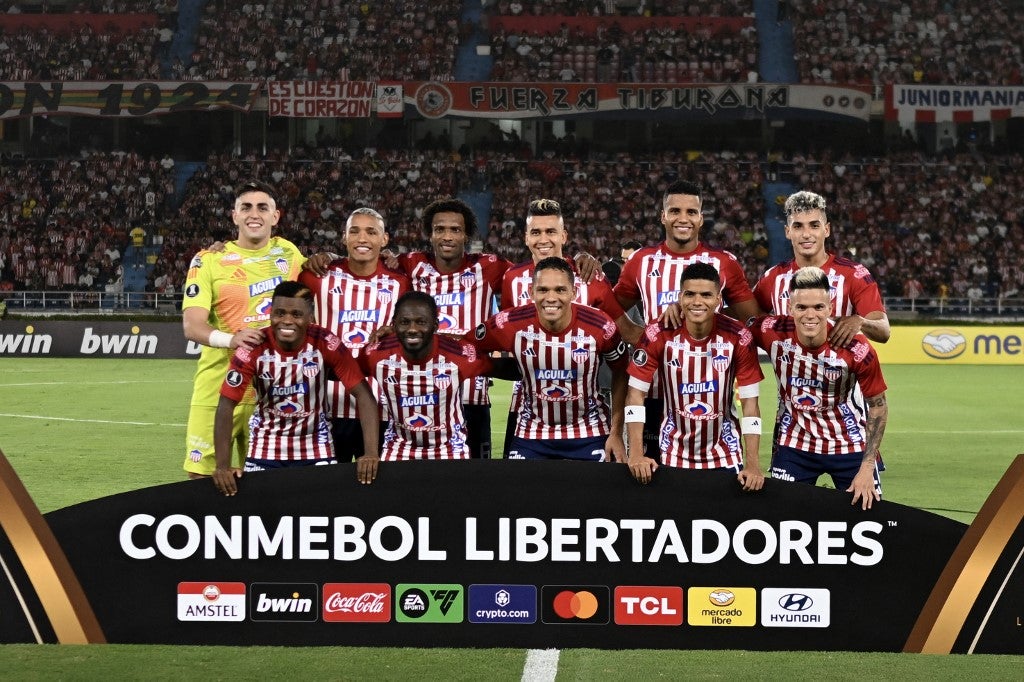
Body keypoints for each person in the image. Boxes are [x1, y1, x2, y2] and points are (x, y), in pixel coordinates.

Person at [613, 180, 760, 457]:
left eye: (691, 212)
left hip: (710, 395)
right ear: (663, 216)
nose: (683, 219)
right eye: (675, 211)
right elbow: (611, 308)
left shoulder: (723, 262)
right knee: (647, 481)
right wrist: (636, 333)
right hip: (651, 394)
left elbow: (751, 319)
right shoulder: (641, 261)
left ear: (701, 218)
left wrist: (699, 313)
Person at [181, 180, 305, 479]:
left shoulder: (289, 253)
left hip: (272, 390)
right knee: (202, 476)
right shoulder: (209, 259)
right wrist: (231, 339)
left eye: (263, 207)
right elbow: (192, 325)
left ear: (276, 217)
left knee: (268, 481)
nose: (254, 214)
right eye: (246, 207)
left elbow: (327, 277)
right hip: (218, 386)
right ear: (234, 215)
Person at [500, 198, 643, 457]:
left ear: (563, 235)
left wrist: (680, 336)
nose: (544, 239)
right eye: (536, 232)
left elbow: (628, 331)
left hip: (585, 418)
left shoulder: (589, 277)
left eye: (551, 231)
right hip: (527, 413)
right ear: (525, 238)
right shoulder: (512, 279)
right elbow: (507, 340)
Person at [212, 281, 380, 496]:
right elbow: (226, 405)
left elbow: (364, 395)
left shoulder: (326, 343)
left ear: (310, 318)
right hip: (266, 446)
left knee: (320, 514)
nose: (287, 321)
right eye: (279, 313)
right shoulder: (253, 347)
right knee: (264, 516)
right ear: (270, 313)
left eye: (296, 314)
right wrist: (222, 466)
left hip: (315, 447)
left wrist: (371, 453)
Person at [750, 266, 889, 510]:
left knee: (870, 518)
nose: (810, 315)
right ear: (790, 308)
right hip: (795, 443)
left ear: (830, 308)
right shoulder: (769, 331)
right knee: (782, 519)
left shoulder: (856, 348)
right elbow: (727, 329)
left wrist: (868, 468)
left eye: (818, 307)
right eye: (801, 307)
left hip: (848, 443)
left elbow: (878, 406)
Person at [389, 198, 513, 459]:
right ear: (429, 234)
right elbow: (362, 265)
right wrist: (330, 257)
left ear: (466, 234)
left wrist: (575, 259)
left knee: (476, 481)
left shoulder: (488, 267)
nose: (447, 236)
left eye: (455, 229)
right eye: (440, 229)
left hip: (472, 397)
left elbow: (531, 275)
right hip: (423, 397)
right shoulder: (412, 264)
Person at [625, 263, 764, 490]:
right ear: (680, 297)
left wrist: (754, 464)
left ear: (719, 299)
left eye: (706, 295)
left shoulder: (739, 336)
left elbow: (750, 404)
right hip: (673, 450)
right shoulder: (657, 333)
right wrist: (637, 453)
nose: (697, 302)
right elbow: (635, 394)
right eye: (690, 294)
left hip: (725, 452)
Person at [475, 257, 629, 462]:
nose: (551, 298)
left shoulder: (601, 326)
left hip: (590, 432)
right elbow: (467, 347)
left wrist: (616, 432)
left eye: (560, 290)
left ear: (574, 293)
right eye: (543, 290)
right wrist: (504, 369)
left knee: (597, 493)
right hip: (531, 434)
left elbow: (621, 370)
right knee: (518, 493)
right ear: (531, 292)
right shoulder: (509, 323)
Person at [298, 207, 410, 463]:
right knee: (327, 490)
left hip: (380, 407)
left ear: (384, 240)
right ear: (344, 237)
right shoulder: (316, 276)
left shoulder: (399, 282)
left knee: (372, 487)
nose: (362, 238)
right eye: (355, 231)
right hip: (325, 407)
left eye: (371, 232)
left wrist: (394, 330)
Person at [358, 291, 517, 461]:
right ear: (393, 325)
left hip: (450, 449)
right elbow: (345, 372)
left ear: (435, 326)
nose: (412, 329)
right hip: (398, 449)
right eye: (405, 322)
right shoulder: (375, 354)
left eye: (421, 322)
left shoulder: (459, 356)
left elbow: (503, 368)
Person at [754, 190, 890, 347]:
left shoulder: (853, 274)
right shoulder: (774, 277)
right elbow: (747, 317)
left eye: (814, 225)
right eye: (798, 226)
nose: (806, 234)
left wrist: (861, 321)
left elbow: (884, 331)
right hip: (791, 371)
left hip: (842, 371)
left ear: (826, 230)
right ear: (788, 232)